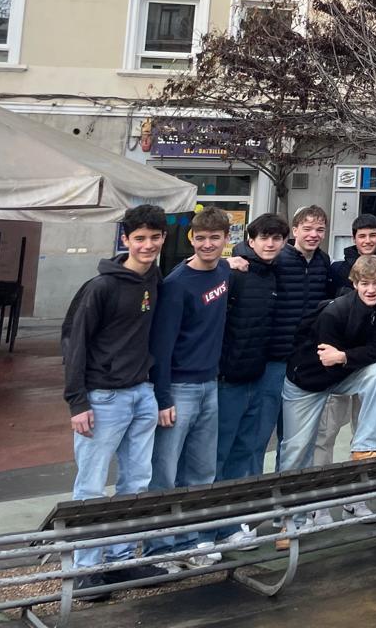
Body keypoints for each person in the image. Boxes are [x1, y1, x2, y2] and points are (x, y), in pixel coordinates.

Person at [63, 205, 169, 594]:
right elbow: (74, 342)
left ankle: (122, 559)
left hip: (141, 393)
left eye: (154, 237)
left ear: (163, 238)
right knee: (91, 486)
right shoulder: (101, 287)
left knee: (136, 482)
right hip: (103, 397)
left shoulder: (155, 279)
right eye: (139, 238)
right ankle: (86, 568)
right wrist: (77, 402)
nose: (147, 245)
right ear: (125, 239)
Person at [146, 209, 232, 563]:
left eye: (215, 238)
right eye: (201, 238)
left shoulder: (225, 271)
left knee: (201, 472)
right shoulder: (176, 284)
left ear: (227, 239)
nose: (207, 244)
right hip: (179, 388)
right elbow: (161, 346)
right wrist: (162, 396)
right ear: (190, 239)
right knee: (164, 474)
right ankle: (159, 549)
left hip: (210, 384)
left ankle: (190, 542)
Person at [275, 254, 376, 474]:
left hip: (343, 372)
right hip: (307, 381)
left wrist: (344, 356)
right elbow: (327, 361)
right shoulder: (334, 312)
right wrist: (351, 356)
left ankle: (365, 447)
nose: (371, 290)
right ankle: (288, 495)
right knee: (297, 449)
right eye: (365, 283)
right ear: (355, 284)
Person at [314, 214, 376, 467]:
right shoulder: (337, 270)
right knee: (326, 432)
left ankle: (363, 470)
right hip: (332, 367)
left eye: (373, 235)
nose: (371, 289)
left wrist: (347, 355)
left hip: (363, 364)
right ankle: (321, 488)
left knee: (366, 420)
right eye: (362, 236)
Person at [217, 214, 287, 484]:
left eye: (276, 238)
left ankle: (234, 505)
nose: (270, 244)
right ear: (251, 241)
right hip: (229, 377)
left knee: (246, 447)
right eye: (264, 238)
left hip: (259, 373)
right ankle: (210, 506)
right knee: (219, 448)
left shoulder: (275, 272)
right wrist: (222, 263)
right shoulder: (234, 271)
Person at [267, 206, 334, 449]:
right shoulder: (277, 259)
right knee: (262, 430)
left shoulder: (323, 261)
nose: (313, 234)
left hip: (304, 359)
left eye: (320, 229)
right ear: (294, 230)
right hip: (274, 357)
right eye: (307, 228)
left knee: (294, 436)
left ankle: (286, 475)